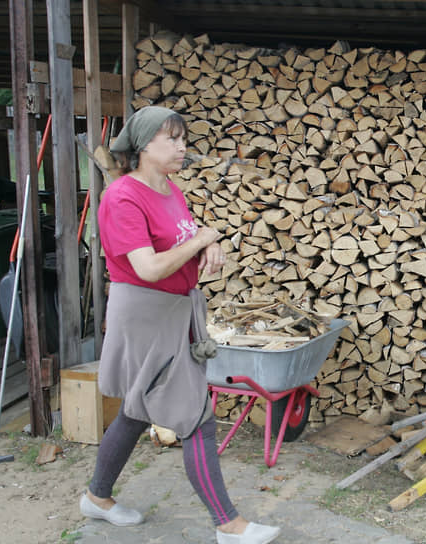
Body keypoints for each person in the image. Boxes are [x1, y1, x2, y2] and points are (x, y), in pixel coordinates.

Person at [80, 105, 281, 544]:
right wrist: (203, 238)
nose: (181, 146)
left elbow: (182, 242)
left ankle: (96, 498)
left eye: (182, 137)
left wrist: (202, 246)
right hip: (146, 312)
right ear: (144, 145)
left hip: (175, 310)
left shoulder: (170, 189)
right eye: (171, 138)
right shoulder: (122, 197)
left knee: (136, 409)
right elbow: (149, 268)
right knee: (195, 416)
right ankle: (228, 524)